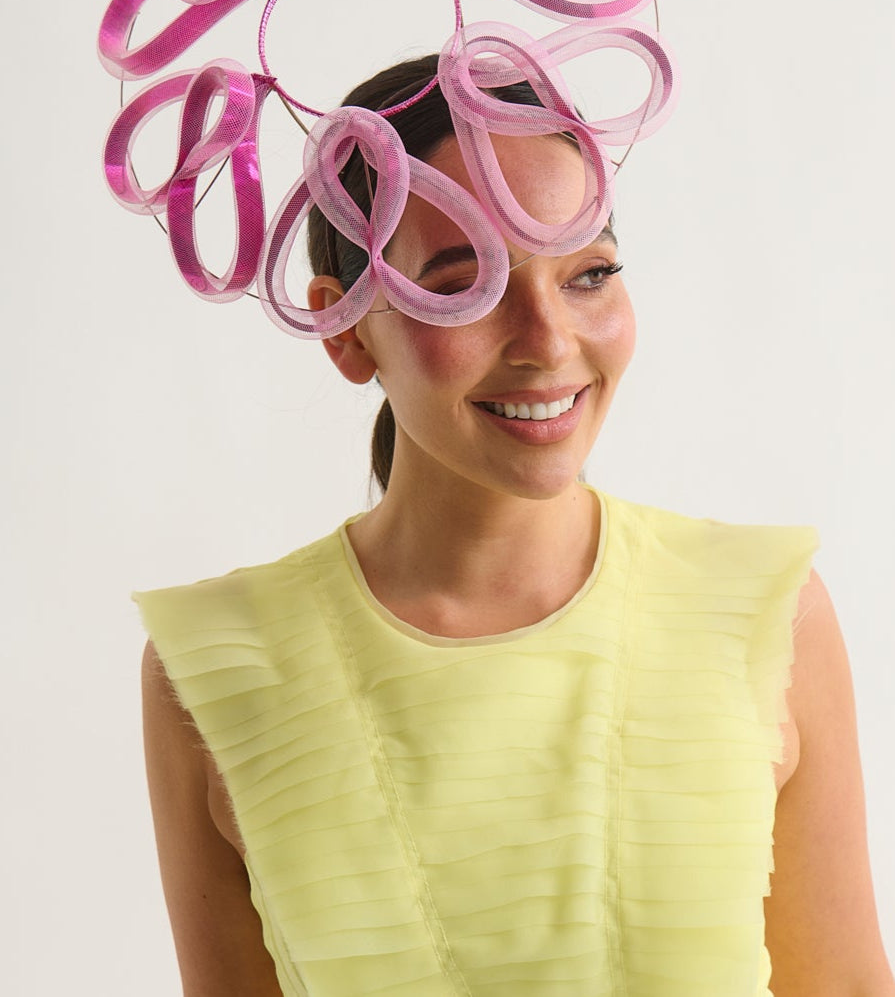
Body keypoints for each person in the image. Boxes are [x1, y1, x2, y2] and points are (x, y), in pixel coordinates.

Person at [138, 56, 894, 997]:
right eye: (471, 284)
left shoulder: (763, 613)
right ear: (345, 330)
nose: (547, 342)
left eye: (589, 276)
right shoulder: (218, 663)